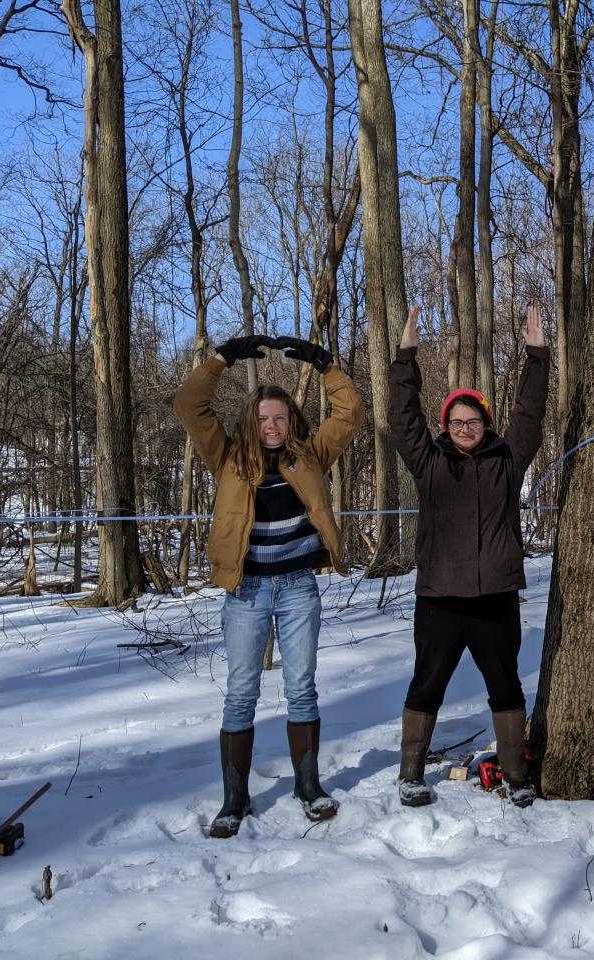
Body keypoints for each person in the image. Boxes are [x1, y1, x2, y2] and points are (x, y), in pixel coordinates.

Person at [174, 334, 364, 838]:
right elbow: (189, 405)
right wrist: (224, 359)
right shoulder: (229, 458)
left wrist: (326, 366)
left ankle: (308, 786)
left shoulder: (312, 455)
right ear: (250, 424)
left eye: (279, 418)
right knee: (241, 693)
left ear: (292, 421)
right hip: (247, 594)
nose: (272, 426)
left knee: (301, 688)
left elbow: (349, 413)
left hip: (299, 588)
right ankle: (233, 799)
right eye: (263, 419)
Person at [389, 304, 549, 808]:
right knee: (427, 682)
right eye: (457, 421)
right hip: (439, 597)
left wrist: (538, 355)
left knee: (505, 685)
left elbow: (530, 413)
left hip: (495, 596)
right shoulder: (428, 461)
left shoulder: (507, 459)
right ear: (446, 425)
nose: (465, 427)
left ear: (485, 422)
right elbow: (401, 416)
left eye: (473, 420)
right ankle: (411, 773)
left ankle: (518, 774)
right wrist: (405, 356)